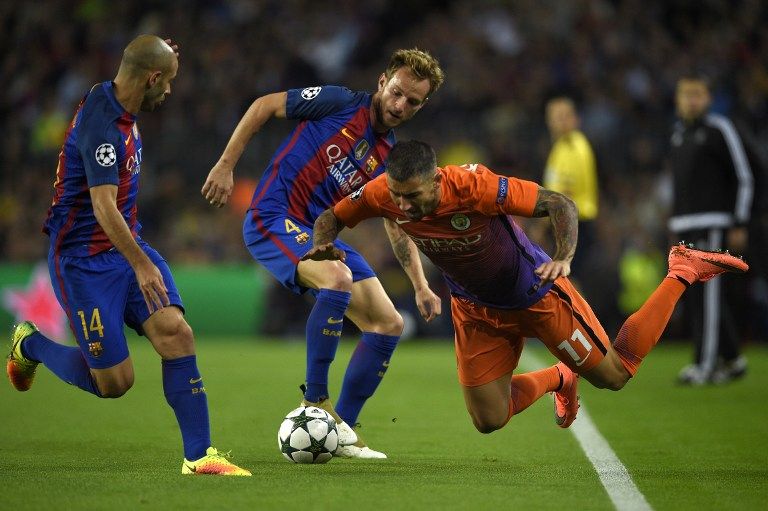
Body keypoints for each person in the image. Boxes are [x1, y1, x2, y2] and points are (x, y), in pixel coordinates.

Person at [304, 140, 748, 434]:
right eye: (397, 195)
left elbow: (559, 203)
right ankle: (559, 377)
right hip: (475, 310)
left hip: (534, 295)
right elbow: (332, 217)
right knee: (488, 420)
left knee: (616, 375)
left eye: (412, 196)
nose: (402, 205)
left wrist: (564, 257)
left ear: (436, 179)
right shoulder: (385, 193)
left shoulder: (474, 186)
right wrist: (322, 244)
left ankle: (682, 269)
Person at [6, 35, 250, 476]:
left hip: (123, 245)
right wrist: (142, 264)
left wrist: (162, 53)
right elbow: (103, 207)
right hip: (82, 263)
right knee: (115, 383)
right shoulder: (103, 128)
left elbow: (141, 62)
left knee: (176, 333)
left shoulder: (116, 97)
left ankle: (199, 456)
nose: (170, 91)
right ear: (151, 79)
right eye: (167, 81)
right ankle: (32, 344)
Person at [201, 49, 445, 458]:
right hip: (273, 217)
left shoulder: (390, 158)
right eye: (397, 92)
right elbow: (264, 106)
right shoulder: (339, 102)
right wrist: (226, 165)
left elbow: (395, 221)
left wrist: (420, 285)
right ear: (382, 82)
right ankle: (315, 400)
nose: (400, 105)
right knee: (337, 278)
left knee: (389, 323)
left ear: (422, 105)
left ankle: (340, 429)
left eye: (413, 101)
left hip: (320, 237)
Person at [667, 75, 764, 385]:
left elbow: (745, 176)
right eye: (686, 94)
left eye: (697, 94)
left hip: (714, 224)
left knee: (708, 295)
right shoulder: (678, 134)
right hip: (686, 226)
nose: (691, 100)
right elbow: (680, 188)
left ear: (708, 98)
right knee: (698, 296)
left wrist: (740, 221)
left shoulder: (719, 129)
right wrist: (674, 224)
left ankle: (705, 365)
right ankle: (732, 359)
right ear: (678, 100)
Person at [542, 96, 599, 279]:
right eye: (556, 117)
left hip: (574, 225)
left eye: (565, 116)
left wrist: (542, 225)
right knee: (566, 280)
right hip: (568, 223)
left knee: (568, 281)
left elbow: (563, 196)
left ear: (575, 119)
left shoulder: (572, 148)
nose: (561, 122)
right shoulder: (561, 147)